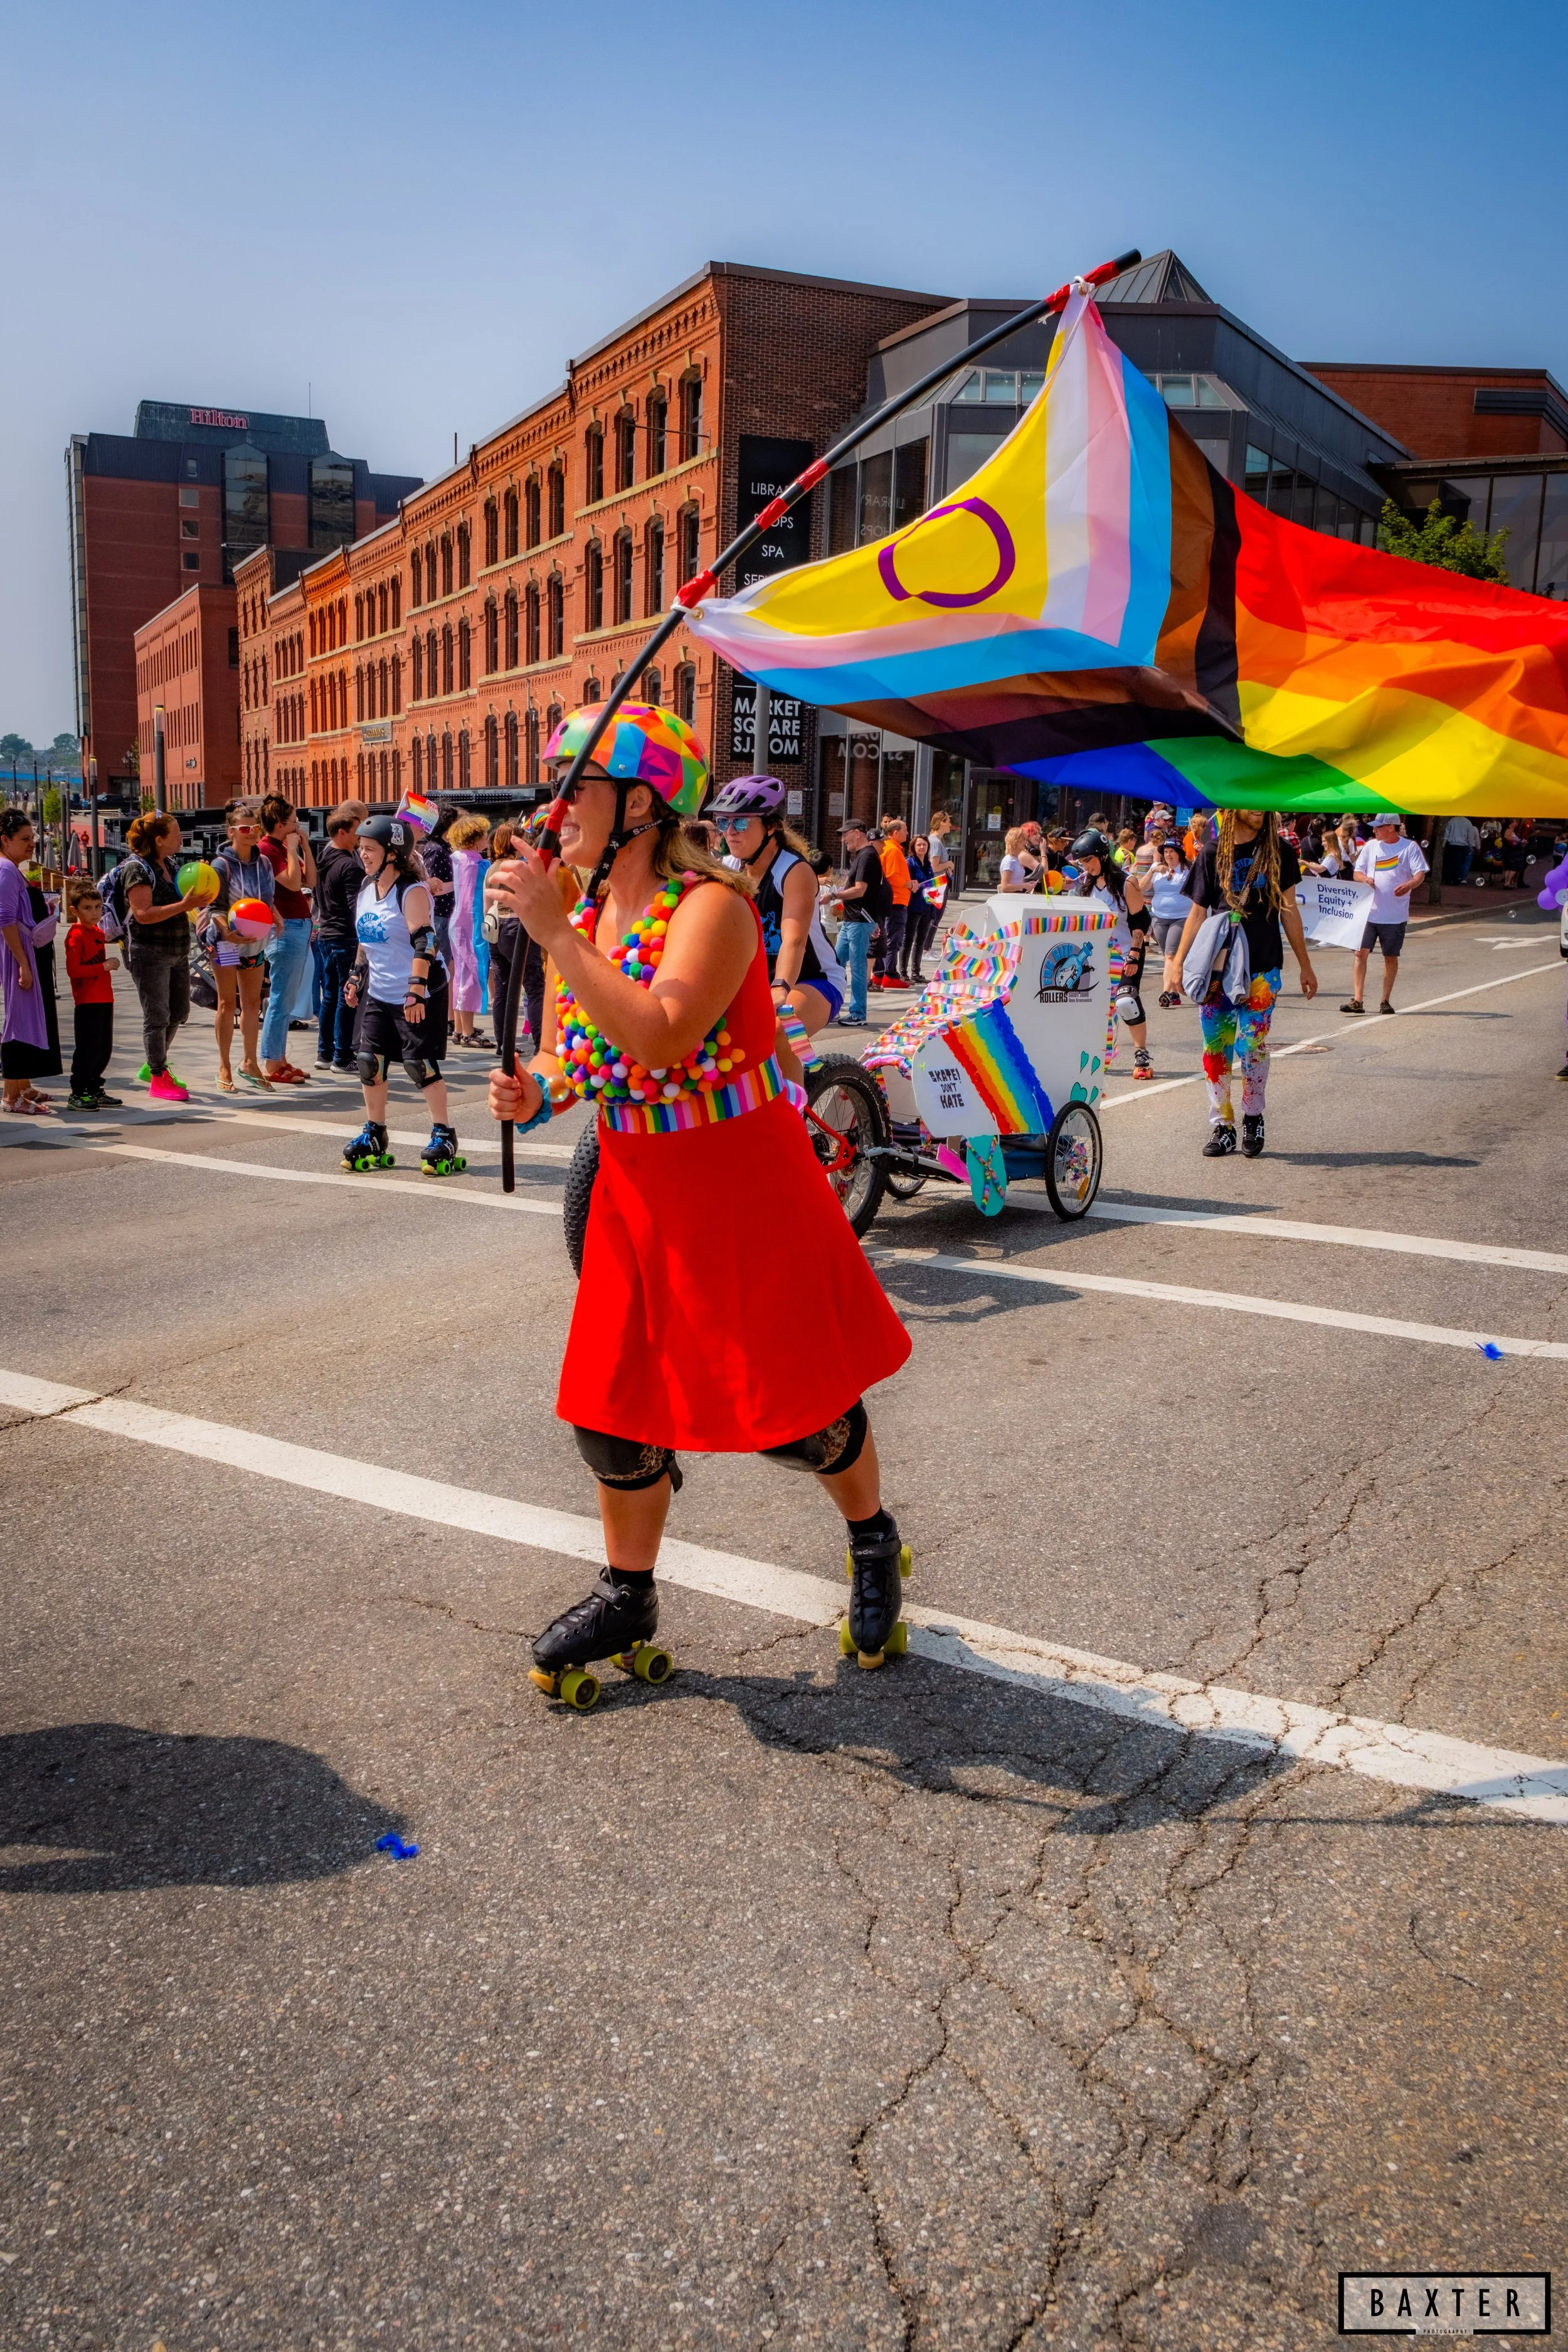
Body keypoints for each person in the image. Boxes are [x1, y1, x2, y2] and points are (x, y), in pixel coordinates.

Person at [485, 702, 913, 1697]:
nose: (557, 806)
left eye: (575, 786)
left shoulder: (710, 906)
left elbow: (664, 1033)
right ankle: (628, 1591)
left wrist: (552, 930)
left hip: (738, 1185)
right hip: (634, 1185)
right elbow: (575, 1044)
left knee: (787, 1412)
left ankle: (873, 1539)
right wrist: (538, 1086)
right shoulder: (587, 919)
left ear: (639, 802)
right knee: (609, 1402)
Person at [1177, 808, 1318, 1157]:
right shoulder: (1211, 853)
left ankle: (1253, 1116)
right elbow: (1197, 913)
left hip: (1263, 970)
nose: (1258, 808)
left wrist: (1306, 965)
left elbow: (1289, 910)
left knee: (1253, 1045)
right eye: (1250, 801)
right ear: (1231, 808)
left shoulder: (1280, 851)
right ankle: (1222, 1125)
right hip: (1218, 971)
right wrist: (1177, 963)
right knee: (1216, 1050)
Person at [341, 813, 462, 1177]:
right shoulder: (366, 890)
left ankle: (444, 1134)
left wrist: (415, 991)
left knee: (417, 1065)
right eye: (361, 849)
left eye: (370, 849)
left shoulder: (412, 891)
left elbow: (425, 942)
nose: (363, 855)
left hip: (416, 989)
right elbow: (366, 943)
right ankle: (375, 1132)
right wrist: (355, 977)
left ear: (392, 853)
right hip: (378, 991)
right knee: (368, 1061)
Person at [706, 775, 846, 1048]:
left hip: (812, 980)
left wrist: (781, 987)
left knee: (777, 1031)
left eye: (741, 821)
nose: (730, 831)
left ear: (771, 826)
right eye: (723, 822)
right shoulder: (728, 866)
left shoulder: (794, 871)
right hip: (757, 982)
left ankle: (796, 1086)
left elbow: (794, 941)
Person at [116, 810, 201, 1101]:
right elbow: (142, 914)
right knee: (157, 1016)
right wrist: (185, 904)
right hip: (148, 952)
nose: (181, 838)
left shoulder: (171, 863)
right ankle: (157, 1076)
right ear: (159, 839)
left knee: (179, 1012)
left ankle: (155, 1063)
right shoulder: (137, 869)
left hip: (177, 950)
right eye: (176, 833)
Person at [1067, 829, 1155, 1079]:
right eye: (1083, 862)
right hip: (1096, 955)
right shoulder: (1086, 885)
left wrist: (1136, 953)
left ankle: (1141, 1053)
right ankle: (1099, 1053)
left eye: (1089, 860)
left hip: (1127, 951)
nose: (1086, 866)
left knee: (1126, 1001)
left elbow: (1141, 921)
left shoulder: (1127, 883)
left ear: (1103, 856)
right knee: (1095, 1005)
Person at [206, 802, 278, 1093]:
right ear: (231, 832)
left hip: (254, 942)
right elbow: (215, 906)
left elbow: (267, 900)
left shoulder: (264, 863)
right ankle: (224, 1065)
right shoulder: (221, 865)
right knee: (227, 1003)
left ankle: (249, 1062)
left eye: (255, 828)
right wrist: (228, 933)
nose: (251, 833)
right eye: (244, 829)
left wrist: (276, 916)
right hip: (226, 941)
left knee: (252, 1004)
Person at [255, 794, 317, 1085]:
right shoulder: (267, 849)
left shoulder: (283, 847)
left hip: (299, 926)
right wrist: (293, 848)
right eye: (293, 822)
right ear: (280, 824)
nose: (297, 826)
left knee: (288, 998)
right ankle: (271, 1062)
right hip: (286, 929)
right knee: (281, 999)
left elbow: (310, 881)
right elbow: (292, 882)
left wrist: (303, 847)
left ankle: (278, 1058)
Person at [0, 808, 56, 1113]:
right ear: (5, 840)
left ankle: (21, 1086)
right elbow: (5, 919)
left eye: (32, 838)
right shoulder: (6, 870)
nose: (32, 843)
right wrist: (23, 963)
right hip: (16, 954)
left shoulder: (10, 868)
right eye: (24, 838)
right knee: (18, 1023)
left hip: (17, 951)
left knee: (20, 1018)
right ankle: (11, 1096)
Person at [1343, 814, 1427, 1015]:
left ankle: (1385, 1001)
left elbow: (1420, 874)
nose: (1374, 831)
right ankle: (1358, 1000)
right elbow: (1357, 872)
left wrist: (1409, 885)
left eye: (1378, 827)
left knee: (1390, 957)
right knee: (1359, 953)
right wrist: (1365, 879)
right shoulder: (1371, 846)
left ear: (1391, 827)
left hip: (1394, 915)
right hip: (1368, 913)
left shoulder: (1409, 848)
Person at [312, 804, 365, 1074]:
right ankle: (342, 1056)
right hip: (344, 937)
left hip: (326, 934)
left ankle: (325, 1053)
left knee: (331, 995)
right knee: (348, 995)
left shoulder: (324, 860)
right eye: (357, 832)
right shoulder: (348, 865)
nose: (360, 838)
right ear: (342, 833)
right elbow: (357, 907)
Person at [64, 882, 122, 1110]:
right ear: (74, 910)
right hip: (87, 1001)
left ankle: (94, 1088)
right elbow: (74, 971)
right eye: (87, 908)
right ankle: (77, 1092)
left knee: (104, 1048)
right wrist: (104, 967)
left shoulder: (97, 932)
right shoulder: (75, 936)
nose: (95, 913)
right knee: (87, 1049)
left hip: (105, 998)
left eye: (98, 907)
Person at [829, 817, 888, 1026]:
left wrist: (834, 895)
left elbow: (861, 890)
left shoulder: (868, 857)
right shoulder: (864, 856)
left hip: (859, 921)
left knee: (857, 967)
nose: (843, 840)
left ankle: (858, 1014)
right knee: (834, 964)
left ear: (857, 833)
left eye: (845, 835)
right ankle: (832, 1007)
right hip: (854, 920)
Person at [447, 813, 494, 1046]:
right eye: (485, 834)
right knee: (472, 975)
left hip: (457, 922)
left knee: (460, 975)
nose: (488, 838)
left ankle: (459, 1029)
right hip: (473, 922)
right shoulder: (479, 864)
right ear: (476, 839)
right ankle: (468, 1033)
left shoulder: (456, 859)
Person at [1148, 839, 1194, 1006]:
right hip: (1159, 918)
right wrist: (1153, 870)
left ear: (1179, 854)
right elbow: (1141, 886)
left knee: (1170, 955)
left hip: (1181, 917)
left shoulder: (1188, 871)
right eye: (1165, 852)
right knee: (1169, 957)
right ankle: (1175, 993)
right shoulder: (1159, 871)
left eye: (1171, 852)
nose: (1168, 855)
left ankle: (1166, 992)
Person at [874, 817, 913, 988]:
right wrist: (910, 884)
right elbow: (893, 876)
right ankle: (889, 974)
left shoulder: (889, 848)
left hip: (893, 900)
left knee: (888, 938)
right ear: (896, 833)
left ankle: (880, 973)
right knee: (894, 940)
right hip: (896, 900)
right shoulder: (893, 850)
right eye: (905, 830)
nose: (907, 833)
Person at [419, 808, 458, 968]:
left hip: (445, 914)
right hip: (439, 915)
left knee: (447, 963)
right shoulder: (435, 849)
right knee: (441, 964)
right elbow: (433, 886)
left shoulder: (444, 848)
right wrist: (460, 883)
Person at [901, 834, 941, 982]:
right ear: (913, 847)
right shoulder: (910, 863)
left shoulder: (928, 864)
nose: (922, 847)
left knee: (920, 942)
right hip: (913, 906)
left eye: (924, 845)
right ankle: (903, 973)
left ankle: (916, 973)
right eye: (919, 845)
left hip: (927, 906)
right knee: (908, 939)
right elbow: (908, 882)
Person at [997, 825, 1038, 893]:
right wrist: (1025, 885)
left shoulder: (1016, 859)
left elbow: (1016, 882)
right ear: (1016, 841)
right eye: (1024, 839)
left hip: (1017, 895)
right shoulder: (1009, 861)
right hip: (1011, 898)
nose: (1026, 842)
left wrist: (1028, 885)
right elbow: (1005, 887)